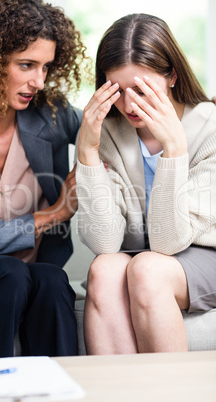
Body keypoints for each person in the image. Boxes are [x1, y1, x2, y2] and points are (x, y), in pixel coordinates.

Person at [0, 0, 88, 358]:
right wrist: (53, 215)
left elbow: (107, 125)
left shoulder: (49, 115)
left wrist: (189, 113)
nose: (39, 82)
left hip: (27, 273)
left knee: (53, 280)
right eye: (26, 65)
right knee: (7, 272)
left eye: (45, 67)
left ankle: (61, 393)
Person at [76, 13, 216, 354]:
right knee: (106, 269)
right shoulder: (109, 132)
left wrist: (174, 149)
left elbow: (168, 244)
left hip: (204, 256)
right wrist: (88, 153)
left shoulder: (210, 128)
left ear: (172, 76)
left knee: (149, 269)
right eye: (117, 91)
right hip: (142, 256)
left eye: (141, 90)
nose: (128, 105)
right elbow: (106, 243)